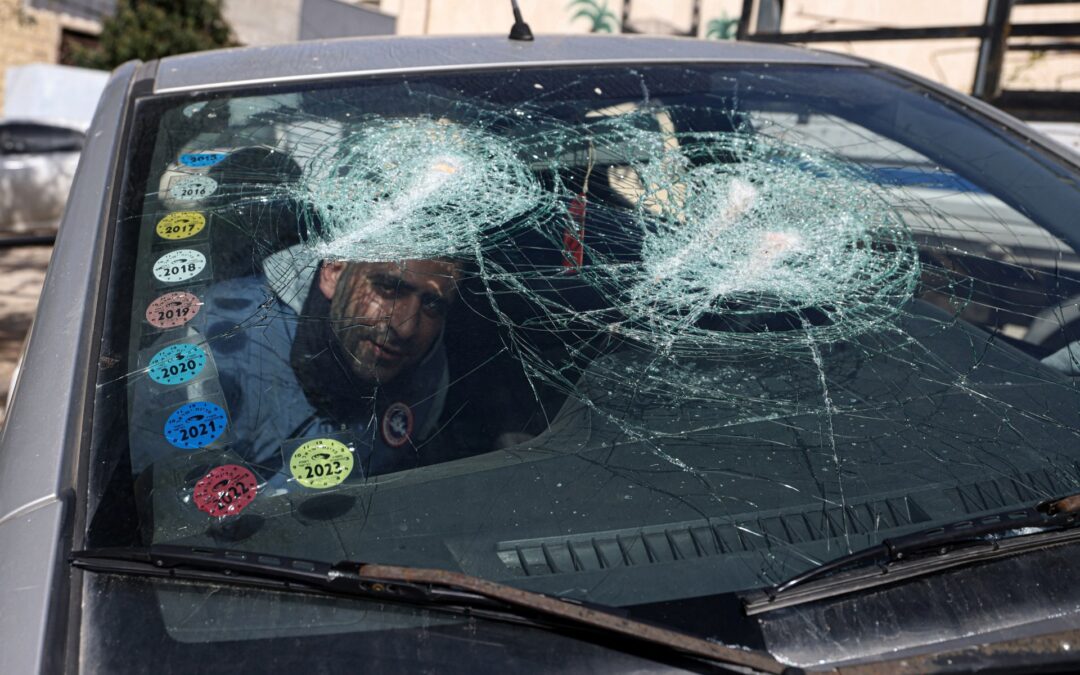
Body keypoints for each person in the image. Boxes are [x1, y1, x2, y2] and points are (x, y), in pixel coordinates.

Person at [130, 248, 461, 482]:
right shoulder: (213, 350)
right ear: (334, 272)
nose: (404, 327)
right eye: (388, 288)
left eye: (432, 304)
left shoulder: (428, 372)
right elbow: (166, 516)